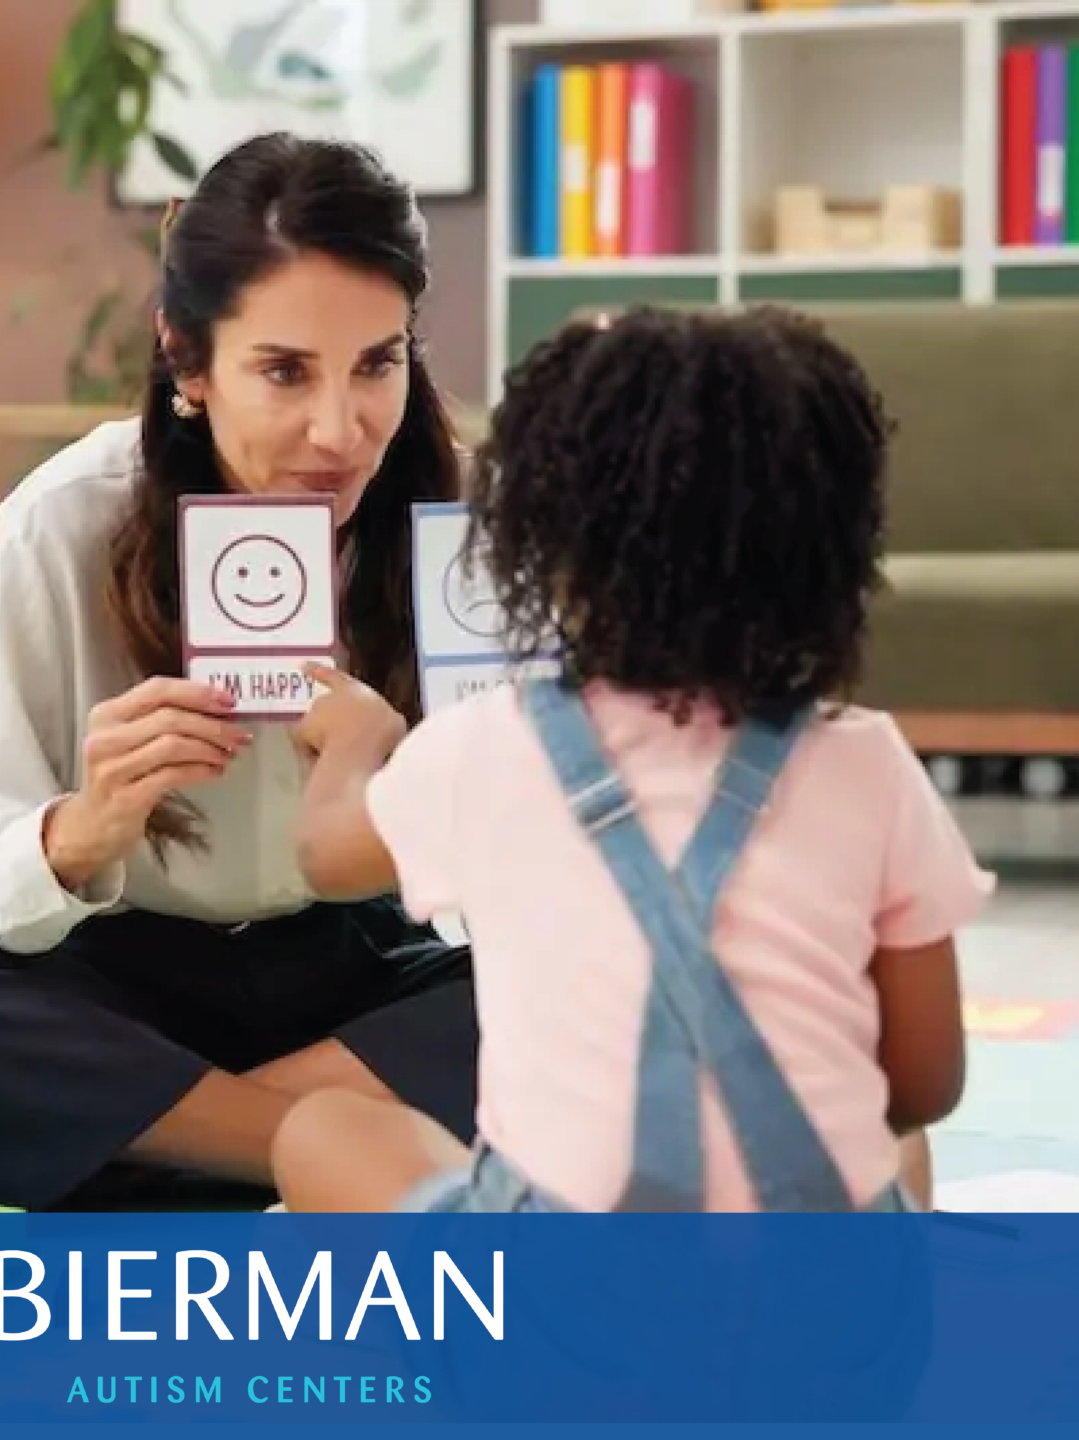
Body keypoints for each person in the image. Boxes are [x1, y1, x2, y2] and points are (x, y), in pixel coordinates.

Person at [0, 133, 476, 1211]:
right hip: (116, 975)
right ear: (186, 359)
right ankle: (339, 1152)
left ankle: (134, 1143)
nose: (340, 431)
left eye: (376, 365)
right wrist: (80, 833)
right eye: (284, 371)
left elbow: (545, 875)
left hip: (348, 974)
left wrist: (408, 782)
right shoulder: (66, 522)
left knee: (627, 965)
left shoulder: (456, 531)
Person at [270, 304, 991, 1214]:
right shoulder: (868, 763)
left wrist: (361, 741)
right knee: (899, 1148)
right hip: (839, 1336)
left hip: (564, 1325)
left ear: (539, 548)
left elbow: (327, 856)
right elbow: (925, 1086)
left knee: (324, 1135)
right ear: (835, 552)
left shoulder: (490, 745)